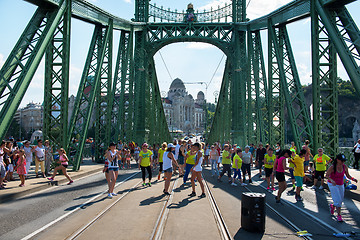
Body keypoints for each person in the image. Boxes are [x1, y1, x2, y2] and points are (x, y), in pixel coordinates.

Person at [326, 154, 358, 222]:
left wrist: (353, 179)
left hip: (340, 184)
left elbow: (348, 175)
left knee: (340, 199)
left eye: (344, 161)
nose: (343, 162)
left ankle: (333, 206)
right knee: (337, 199)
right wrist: (332, 180)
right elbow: (327, 175)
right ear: (337, 160)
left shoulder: (344, 166)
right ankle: (339, 215)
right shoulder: (332, 167)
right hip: (333, 184)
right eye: (342, 161)